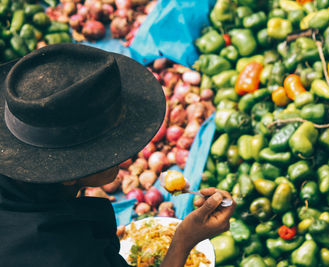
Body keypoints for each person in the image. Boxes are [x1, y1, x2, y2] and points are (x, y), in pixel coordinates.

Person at [0, 43, 236, 267]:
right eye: (110, 146)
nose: (124, 155)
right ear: (67, 174)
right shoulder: (64, 254)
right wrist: (185, 238)